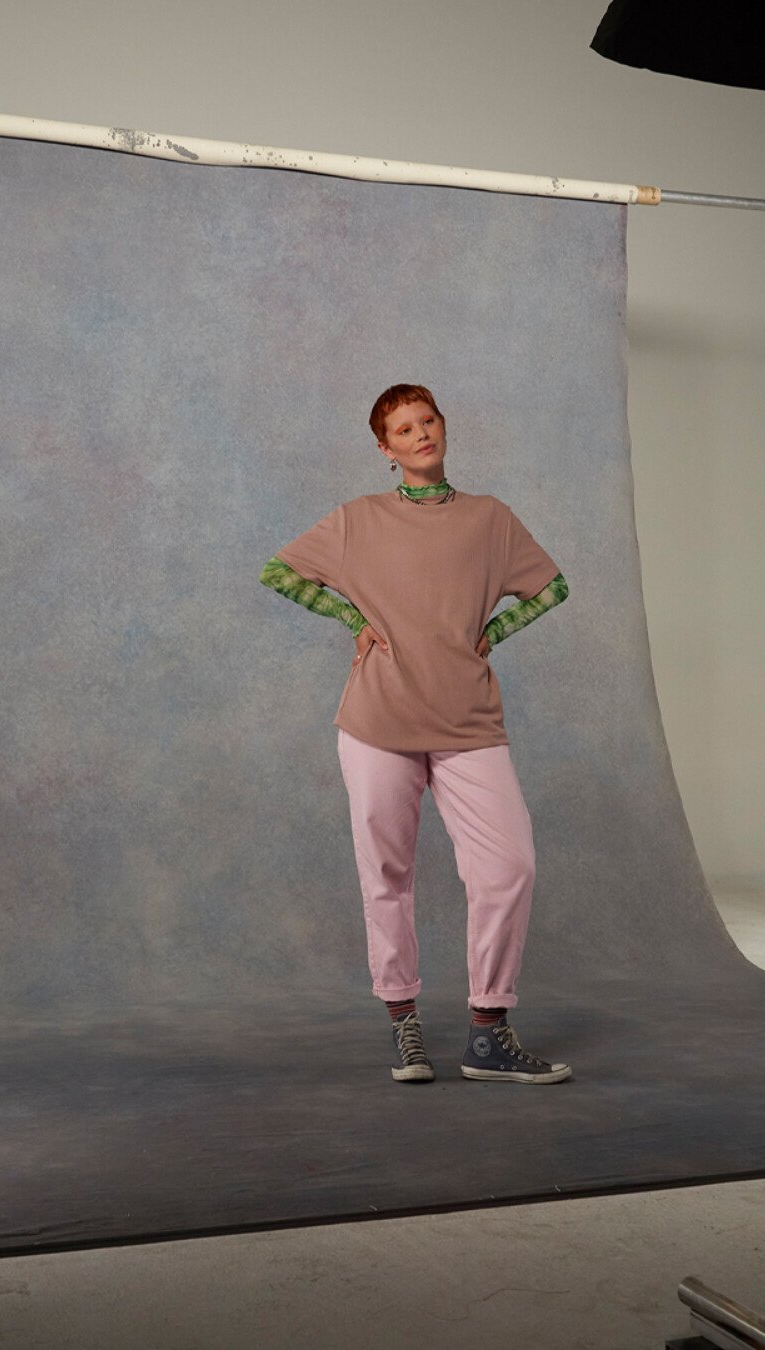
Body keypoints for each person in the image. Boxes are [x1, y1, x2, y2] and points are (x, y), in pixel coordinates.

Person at [261, 383, 573, 1085]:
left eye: (427, 420)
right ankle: (404, 1023)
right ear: (385, 449)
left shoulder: (491, 520)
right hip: (377, 721)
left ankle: (488, 1033)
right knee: (387, 874)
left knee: (509, 867)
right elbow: (277, 571)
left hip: (468, 720)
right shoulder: (358, 520)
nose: (420, 434)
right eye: (403, 429)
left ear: (443, 427)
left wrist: (493, 632)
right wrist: (351, 620)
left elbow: (552, 587)